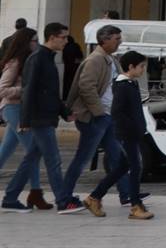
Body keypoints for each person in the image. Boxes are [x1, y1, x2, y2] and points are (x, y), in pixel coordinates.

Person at [1, 21, 73, 213]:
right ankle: (63, 200)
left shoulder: (45, 58)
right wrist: (25, 121)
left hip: (42, 115)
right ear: (52, 37)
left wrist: (65, 112)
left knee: (30, 157)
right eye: (64, 37)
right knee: (52, 158)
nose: (67, 41)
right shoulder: (35, 59)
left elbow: (49, 92)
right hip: (32, 115)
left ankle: (11, 197)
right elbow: (29, 91)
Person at [80, 50, 152, 220]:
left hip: (131, 133)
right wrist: (131, 129)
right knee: (136, 167)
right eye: (141, 67)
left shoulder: (130, 83)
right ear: (131, 66)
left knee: (122, 167)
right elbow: (117, 112)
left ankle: (94, 197)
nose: (143, 70)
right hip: (127, 134)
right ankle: (135, 206)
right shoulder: (122, 86)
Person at [61, 24, 123, 212]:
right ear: (104, 40)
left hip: (107, 116)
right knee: (82, 158)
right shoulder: (95, 60)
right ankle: (64, 199)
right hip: (96, 117)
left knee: (118, 157)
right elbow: (86, 87)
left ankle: (128, 194)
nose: (119, 41)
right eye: (116, 38)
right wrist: (99, 111)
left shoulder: (111, 59)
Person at [0, 26, 51, 211]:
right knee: (33, 151)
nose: (37, 44)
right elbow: (2, 89)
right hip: (13, 109)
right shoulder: (15, 63)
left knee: (5, 151)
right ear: (25, 43)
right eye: (34, 40)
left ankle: (34, 194)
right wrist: (25, 91)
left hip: (21, 110)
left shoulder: (30, 61)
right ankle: (34, 194)